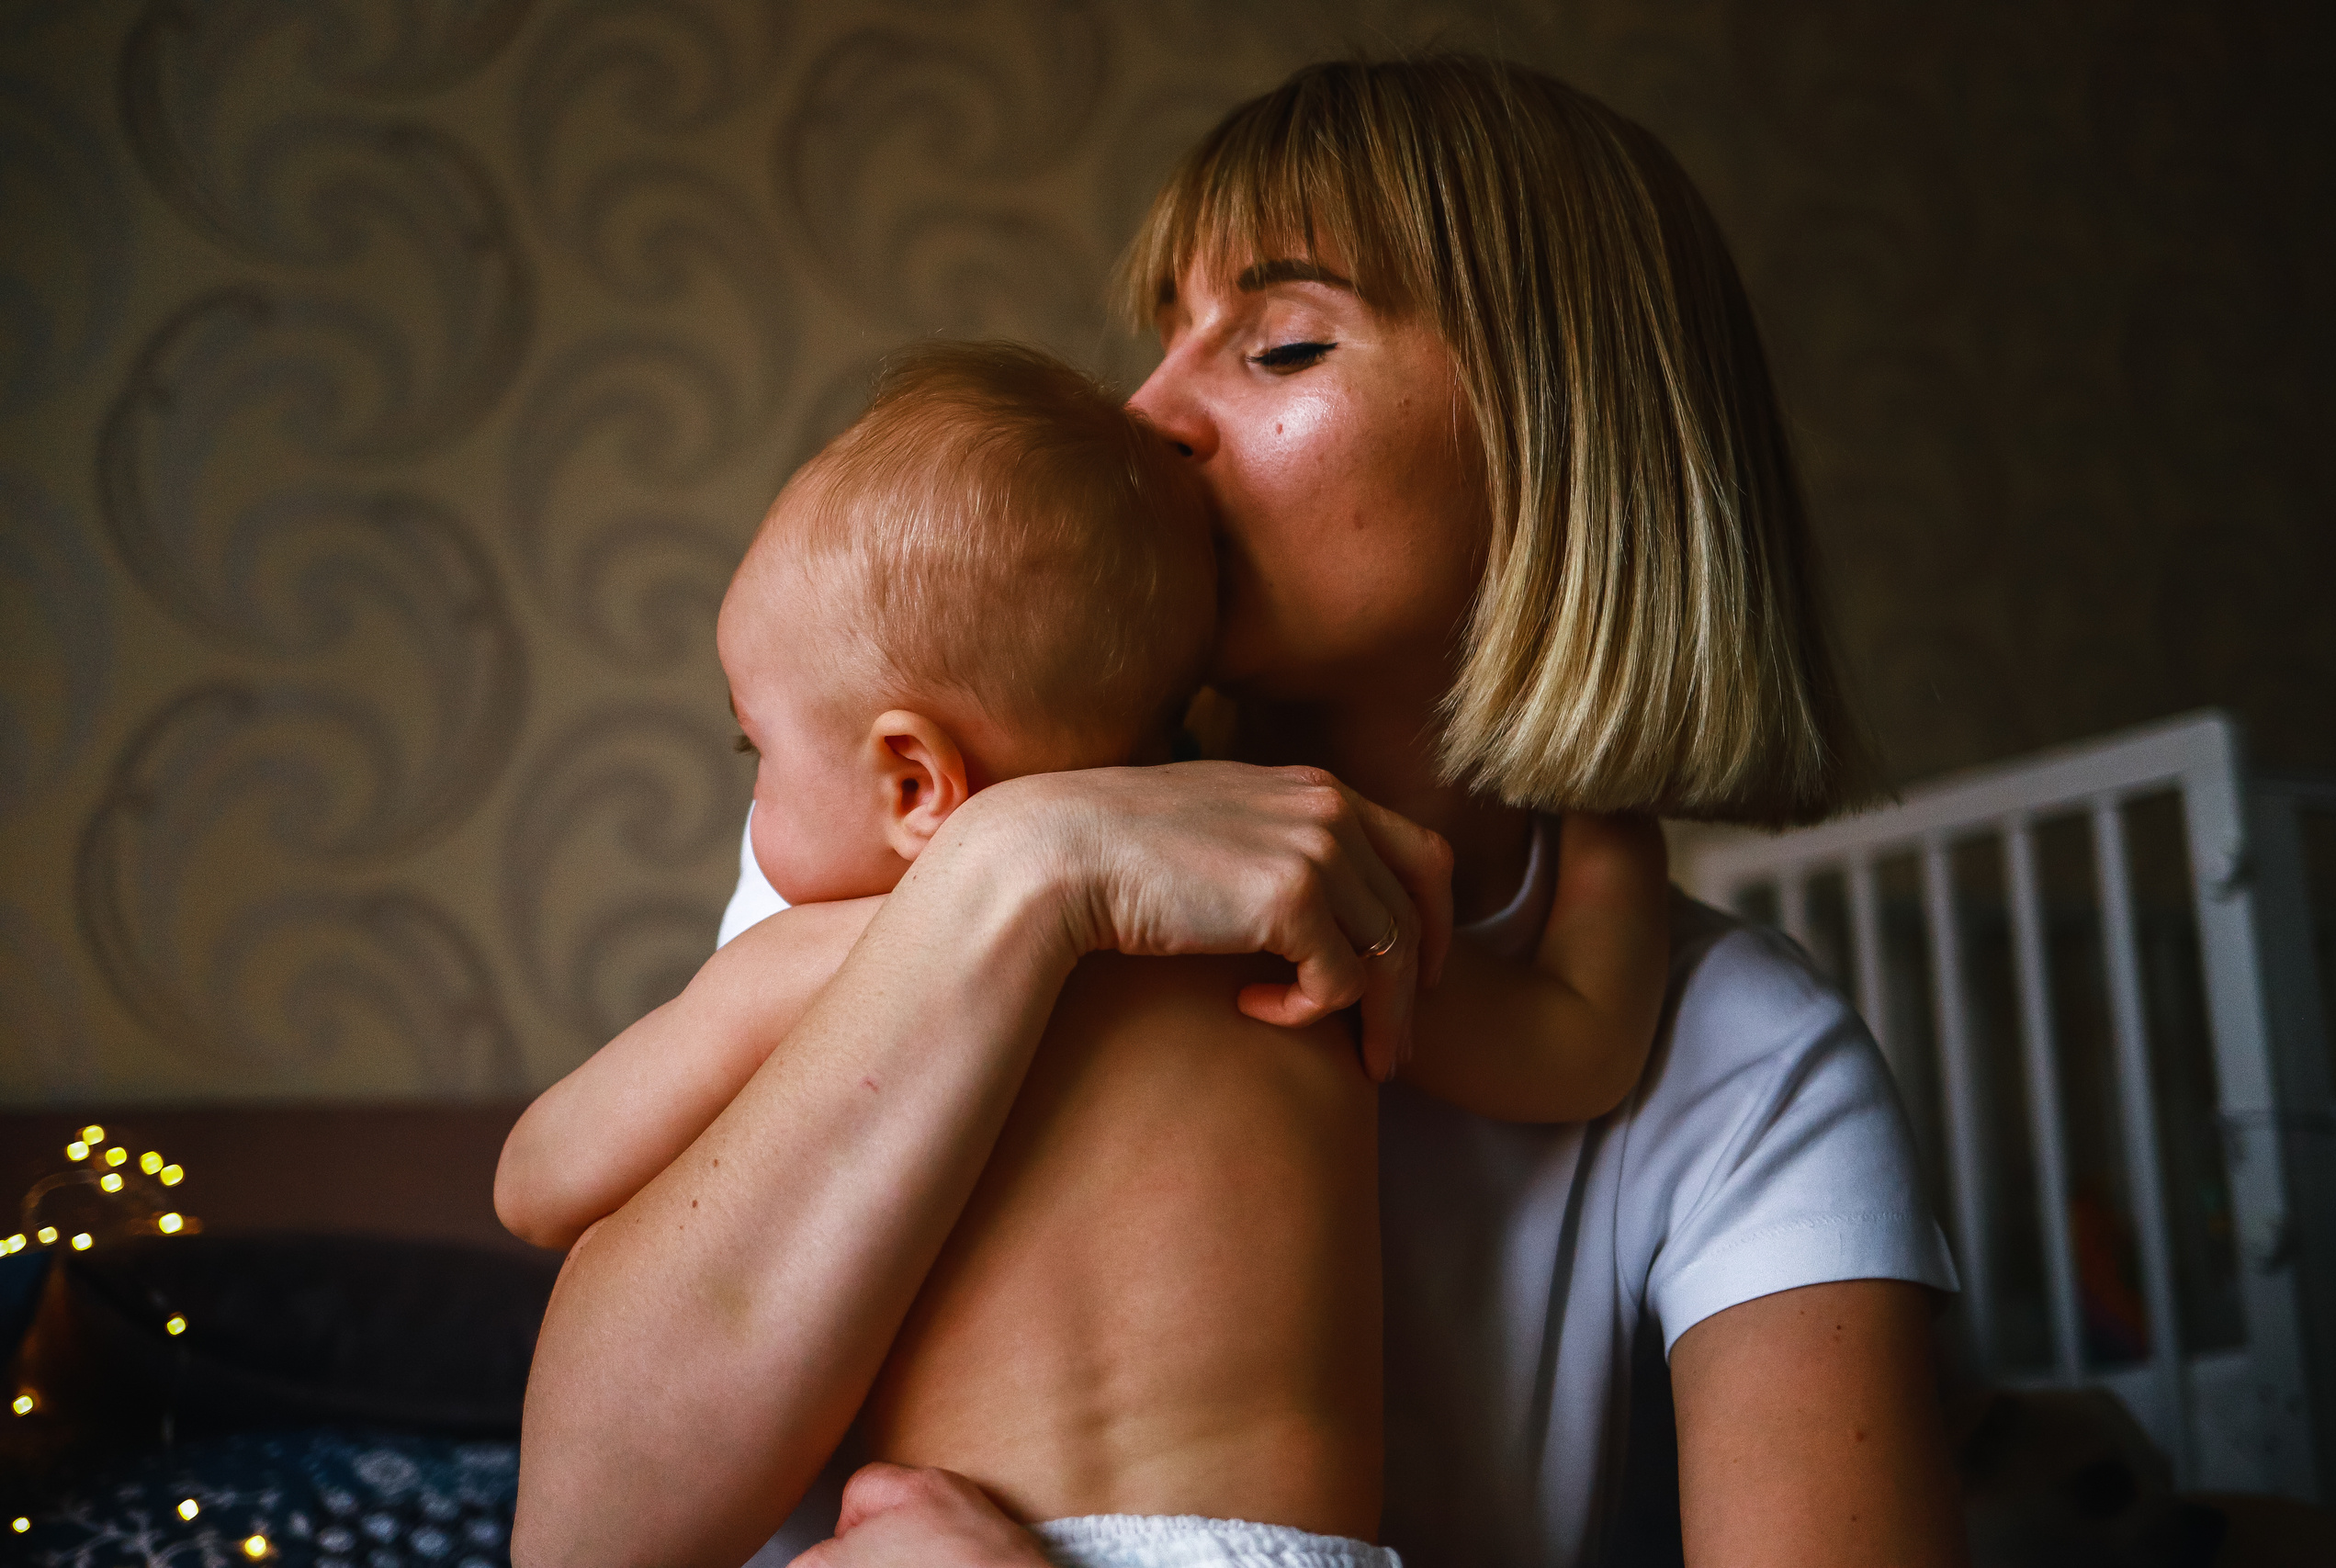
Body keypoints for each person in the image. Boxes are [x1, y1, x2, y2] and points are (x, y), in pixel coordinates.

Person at [515, 54, 1968, 1568]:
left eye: (1279, 346)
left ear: (1561, 447)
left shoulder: (1746, 1062)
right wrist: (1024, 868)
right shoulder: (919, 837)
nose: (1147, 411)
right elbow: (587, 1540)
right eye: (1164, 336)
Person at [500, 339, 1669, 1567]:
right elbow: (1575, 1047)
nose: (755, 797)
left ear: (914, 781)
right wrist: (1610, 825)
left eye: (758, 750)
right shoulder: (1302, 901)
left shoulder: (818, 963)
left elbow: (536, 1181)